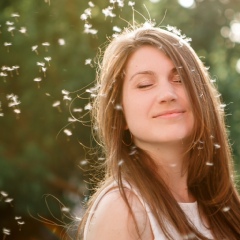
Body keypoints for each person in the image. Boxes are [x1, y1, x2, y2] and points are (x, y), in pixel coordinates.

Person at [77, 23, 240, 239]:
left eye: (180, 79)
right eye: (145, 84)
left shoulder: (222, 208)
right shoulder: (122, 210)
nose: (167, 93)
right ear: (120, 113)